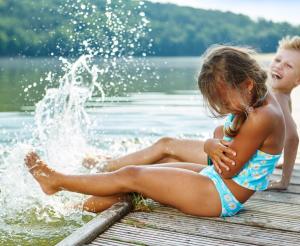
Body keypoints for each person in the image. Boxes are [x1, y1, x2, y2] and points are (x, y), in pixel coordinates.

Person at [25, 45, 285, 217]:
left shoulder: (262, 117)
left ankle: (57, 182)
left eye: (225, 102)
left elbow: (227, 168)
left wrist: (209, 145)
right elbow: (225, 137)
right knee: (151, 171)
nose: (223, 108)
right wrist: (216, 141)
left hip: (219, 197)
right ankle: (72, 209)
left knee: (133, 175)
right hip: (217, 184)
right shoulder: (259, 100)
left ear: (247, 84)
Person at [267, 36, 300, 190]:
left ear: (298, 80)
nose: (279, 66)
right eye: (278, 60)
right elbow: (279, 133)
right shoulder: (281, 97)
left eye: (288, 66)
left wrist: (284, 181)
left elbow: (292, 137)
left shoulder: (278, 98)